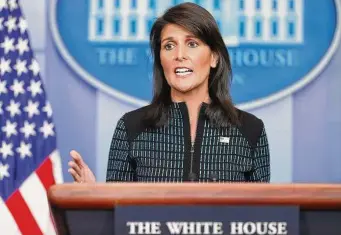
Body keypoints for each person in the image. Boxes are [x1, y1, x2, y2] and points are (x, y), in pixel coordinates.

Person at [68, 2, 270, 183]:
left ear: (214, 58)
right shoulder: (131, 127)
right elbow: (117, 217)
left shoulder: (250, 129)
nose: (179, 55)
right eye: (169, 46)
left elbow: (265, 219)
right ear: (160, 59)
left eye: (192, 44)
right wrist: (93, 197)